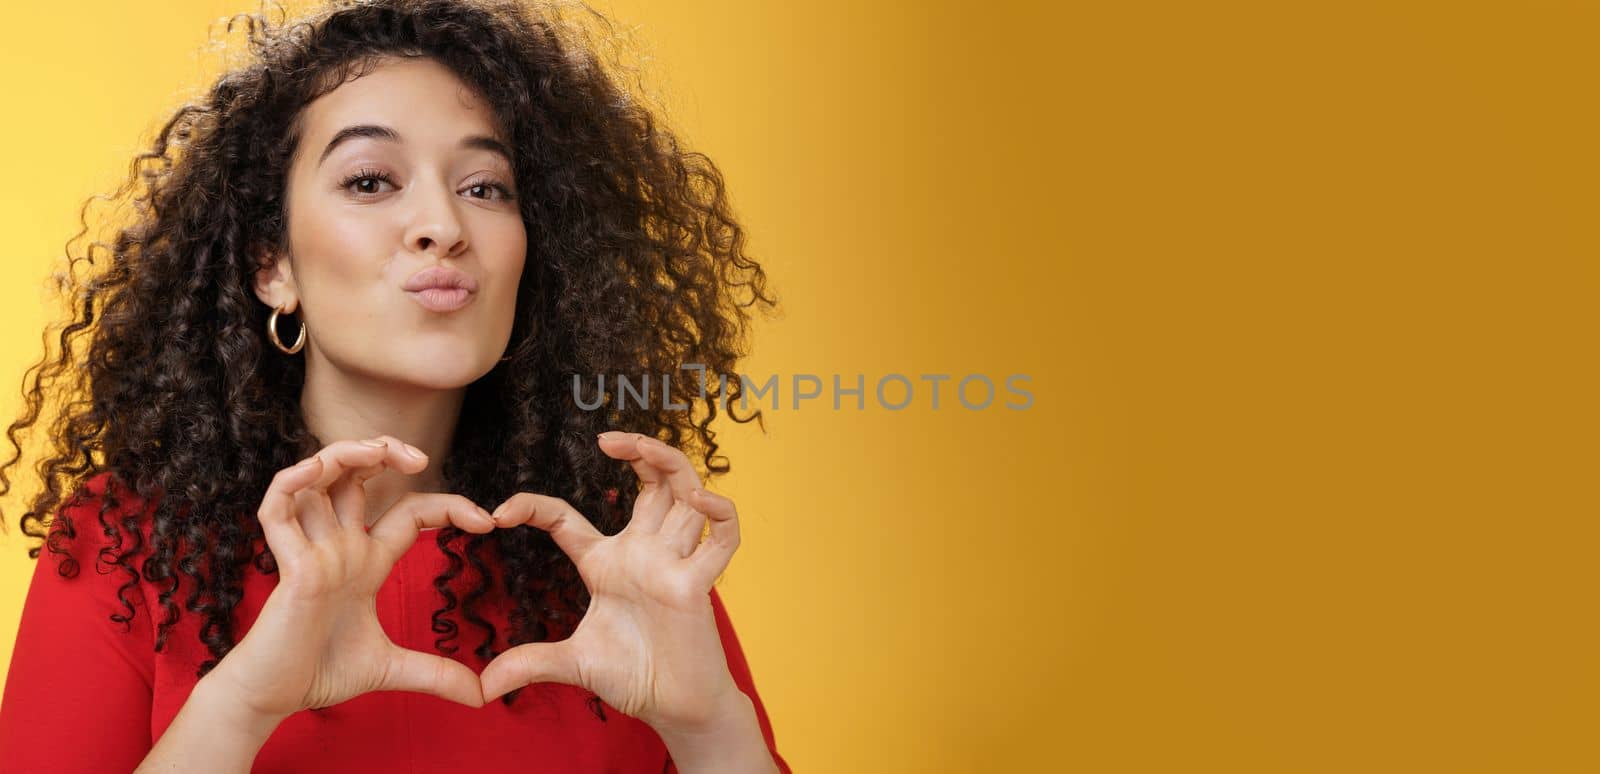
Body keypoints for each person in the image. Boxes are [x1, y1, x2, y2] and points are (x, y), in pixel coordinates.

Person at [0, 0, 786, 771]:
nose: (443, 224)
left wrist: (711, 727)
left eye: (485, 187)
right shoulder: (126, 541)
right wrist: (239, 704)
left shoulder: (622, 553)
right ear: (271, 266)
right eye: (372, 181)